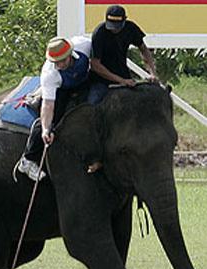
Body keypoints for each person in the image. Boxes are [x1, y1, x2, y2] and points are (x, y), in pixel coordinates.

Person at [17, 35, 91, 181]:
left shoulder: (85, 45)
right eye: (55, 62)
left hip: (86, 79)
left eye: (62, 61)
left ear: (70, 54)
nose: (59, 65)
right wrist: (46, 128)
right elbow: (48, 104)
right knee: (54, 117)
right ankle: (28, 159)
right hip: (62, 88)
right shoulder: (50, 73)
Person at [88, 4, 158, 105]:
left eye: (117, 26)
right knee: (93, 104)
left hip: (123, 74)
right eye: (111, 26)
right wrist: (121, 80)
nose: (114, 29)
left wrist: (152, 73)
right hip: (101, 80)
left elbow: (143, 49)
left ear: (124, 20)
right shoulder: (99, 33)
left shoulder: (131, 28)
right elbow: (95, 65)